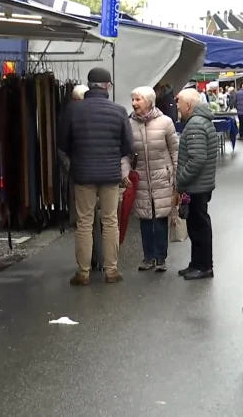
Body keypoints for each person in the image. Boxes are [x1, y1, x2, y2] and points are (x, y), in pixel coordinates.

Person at [58, 67, 133, 286]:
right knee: (110, 221)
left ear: (89, 84)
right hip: (110, 173)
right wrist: (110, 157)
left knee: (84, 222)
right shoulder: (118, 111)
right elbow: (128, 146)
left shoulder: (73, 110)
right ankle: (111, 271)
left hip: (82, 174)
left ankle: (83, 272)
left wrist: (71, 166)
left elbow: (61, 145)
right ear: (108, 86)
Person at [122, 86, 179, 272]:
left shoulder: (165, 122)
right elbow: (124, 153)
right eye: (133, 100)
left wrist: (177, 176)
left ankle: (160, 258)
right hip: (140, 178)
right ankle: (148, 257)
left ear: (149, 102)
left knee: (160, 217)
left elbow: (175, 150)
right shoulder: (128, 124)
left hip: (162, 176)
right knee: (145, 218)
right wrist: (125, 173)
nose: (134, 103)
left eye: (138, 100)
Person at [175, 88, 219, 280]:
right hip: (201, 184)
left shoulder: (194, 125)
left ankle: (203, 266)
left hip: (196, 186)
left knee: (199, 226)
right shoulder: (202, 122)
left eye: (179, 103)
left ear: (188, 105)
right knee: (196, 225)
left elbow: (197, 160)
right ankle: (197, 263)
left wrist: (181, 179)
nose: (176, 106)